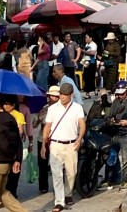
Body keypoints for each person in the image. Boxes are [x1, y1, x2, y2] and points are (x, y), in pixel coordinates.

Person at [43, 84, 85, 212]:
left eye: (64, 95)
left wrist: (79, 138)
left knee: (72, 173)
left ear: (71, 95)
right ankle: (59, 201)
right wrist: (44, 145)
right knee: (57, 175)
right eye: (60, 94)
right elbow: (48, 127)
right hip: (55, 144)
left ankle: (67, 193)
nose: (61, 96)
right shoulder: (52, 109)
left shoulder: (77, 108)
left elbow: (82, 125)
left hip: (71, 144)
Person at [0, 96, 27, 212]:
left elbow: (0, 141)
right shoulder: (10, 117)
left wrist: (10, 157)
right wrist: (16, 159)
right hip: (6, 162)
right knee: (3, 193)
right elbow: (18, 140)